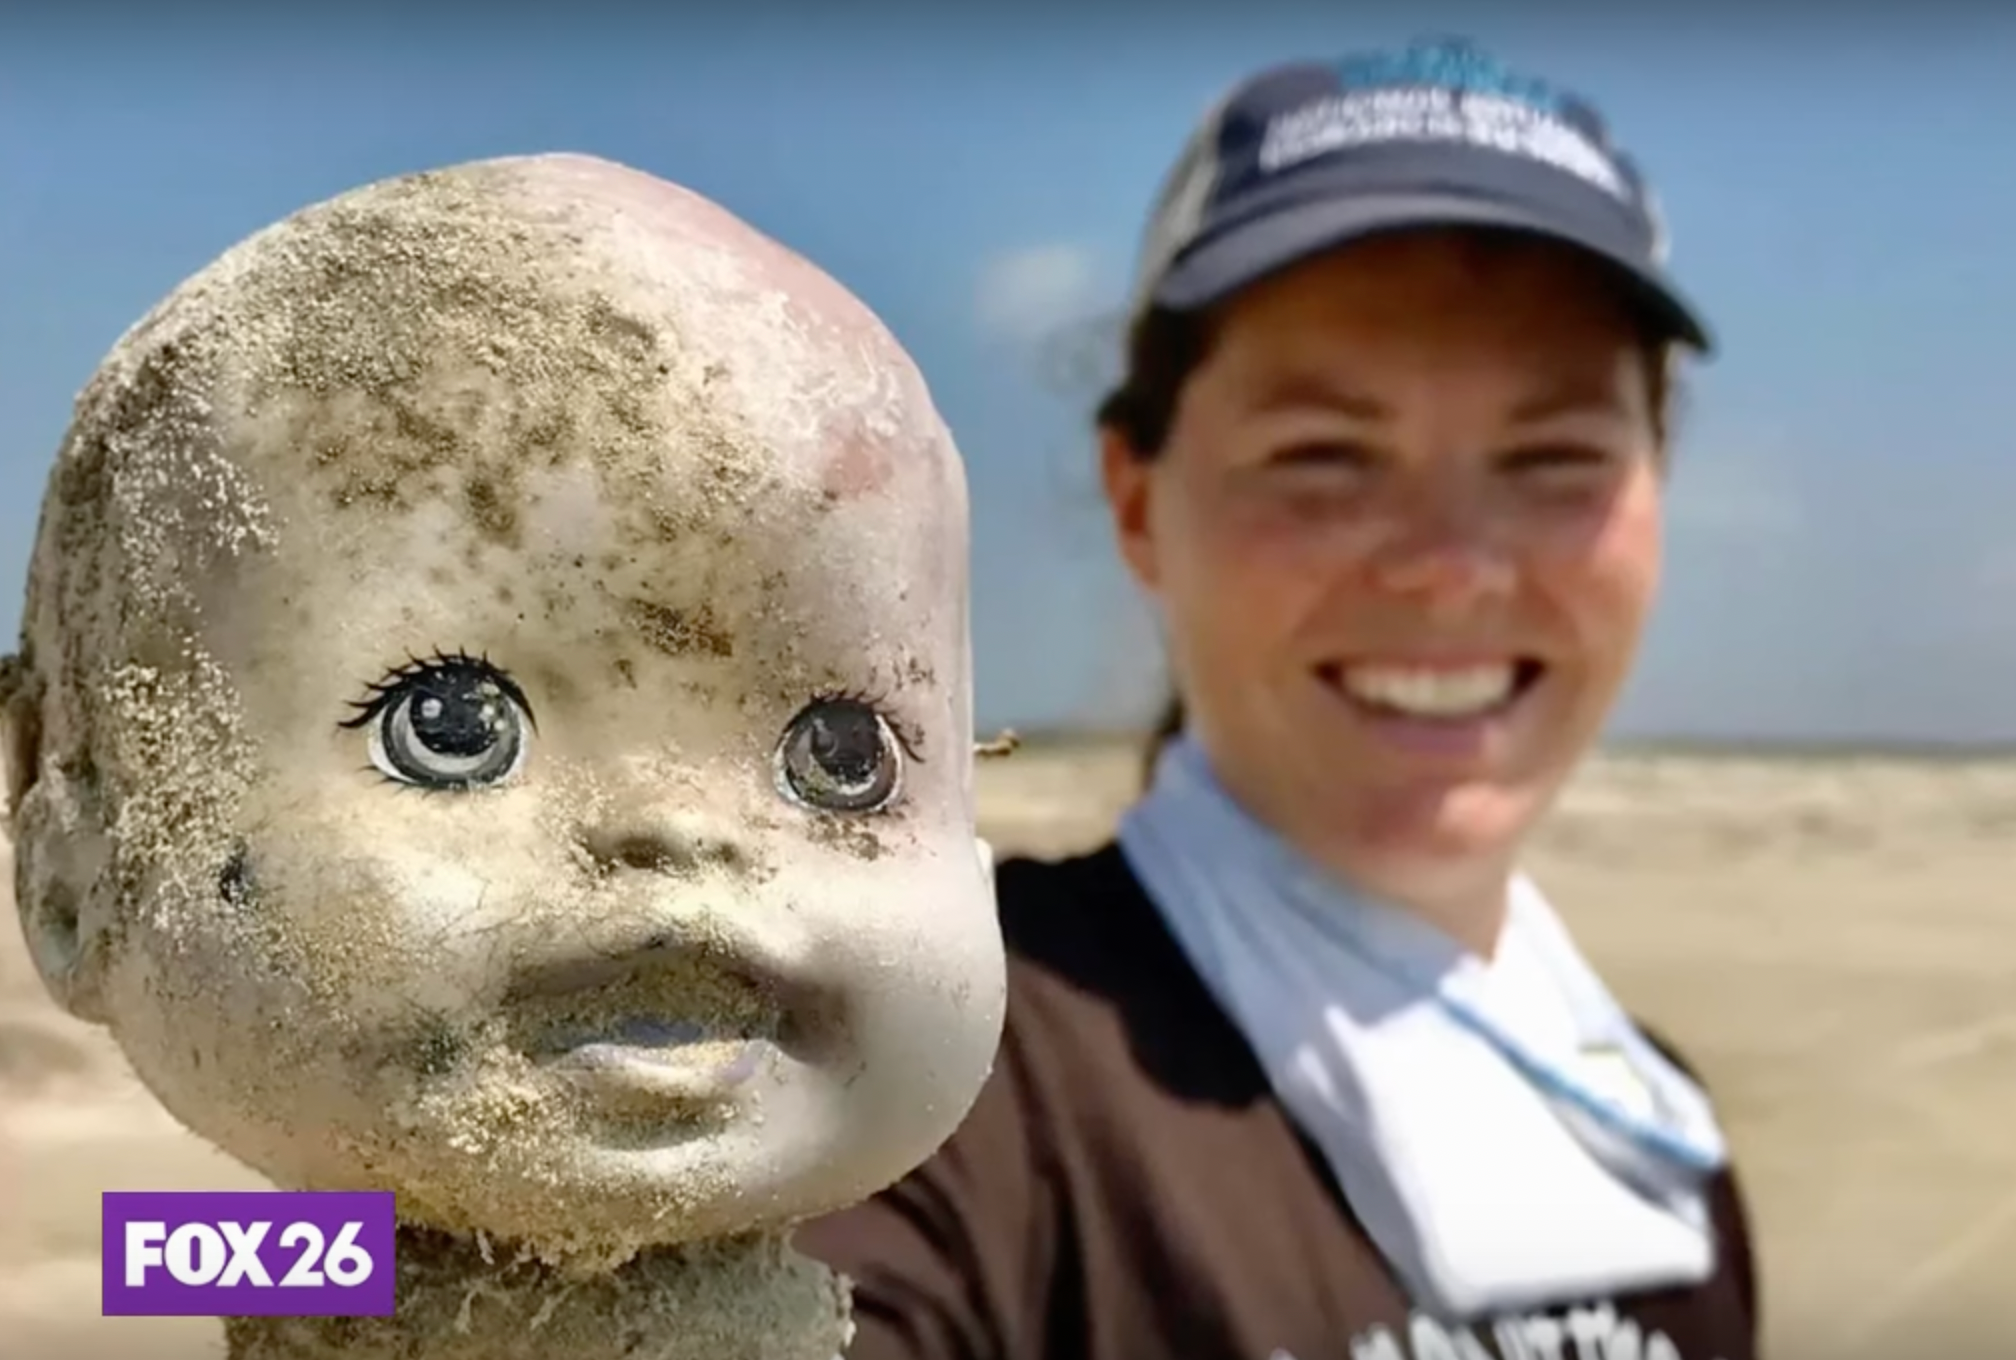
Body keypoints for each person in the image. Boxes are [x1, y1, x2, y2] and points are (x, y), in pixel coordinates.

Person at [799, 36, 1759, 1360]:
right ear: (1140, 500)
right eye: (1324, 455)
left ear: (1658, 489)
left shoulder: (1658, 1137)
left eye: (1554, 456)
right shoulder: (930, 1065)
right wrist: (404, 1253)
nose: (1450, 567)